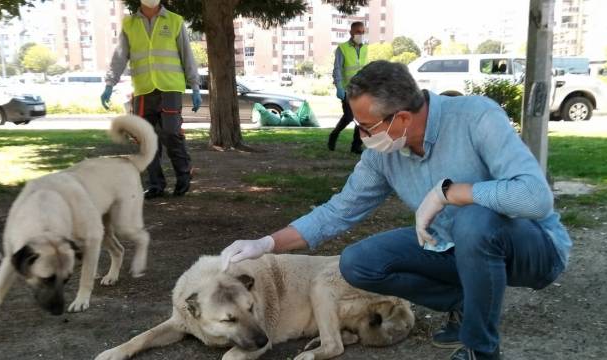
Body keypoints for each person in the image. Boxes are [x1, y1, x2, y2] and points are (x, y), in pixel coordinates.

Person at [220, 61, 572, 360]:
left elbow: (535, 198)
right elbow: (339, 211)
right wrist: (266, 243)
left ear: (402, 118)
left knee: (475, 219)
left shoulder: (476, 117)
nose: (360, 136)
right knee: (358, 262)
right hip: (452, 246)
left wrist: (452, 193)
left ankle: (480, 349)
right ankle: (471, 297)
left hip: (535, 249)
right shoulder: (383, 153)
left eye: (365, 127)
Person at [101, 0, 202, 199]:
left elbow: (187, 54)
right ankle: (156, 184)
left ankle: (184, 175)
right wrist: (109, 84)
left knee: (171, 132)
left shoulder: (174, 21)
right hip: (143, 89)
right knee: (145, 138)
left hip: (169, 87)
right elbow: (120, 56)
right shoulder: (129, 23)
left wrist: (195, 85)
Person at [327, 21, 368, 154]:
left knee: (362, 119)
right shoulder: (342, 48)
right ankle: (334, 135)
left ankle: (356, 146)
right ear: (351, 33)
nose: (360, 34)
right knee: (349, 117)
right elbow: (337, 69)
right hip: (347, 90)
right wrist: (339, 87)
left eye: (362, 32)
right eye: (358, 32)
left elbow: (364, 68)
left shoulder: (365, 48)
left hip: (361, 90)